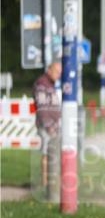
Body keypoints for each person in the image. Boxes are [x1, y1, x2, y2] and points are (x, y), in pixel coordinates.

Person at [33, 61, 62, 200]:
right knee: (46, 154)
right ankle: (46, 186)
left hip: (54, 126)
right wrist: (49, 126)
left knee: (54, 155)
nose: (59, 75)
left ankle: (53, 183)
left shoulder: (51, 85)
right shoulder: (42, 84)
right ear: (49, 70)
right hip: (47, 127)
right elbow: (42, 106)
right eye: (57, 71)